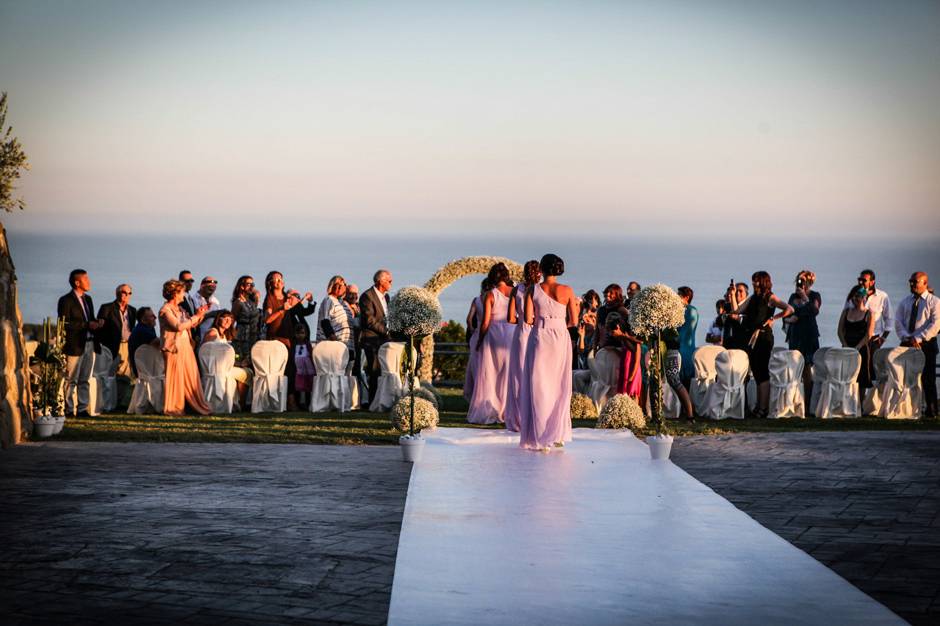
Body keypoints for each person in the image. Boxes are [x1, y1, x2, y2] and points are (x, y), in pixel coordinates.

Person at [518, 253, 576, 451]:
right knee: (559, 385)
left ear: (541, 269)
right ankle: (557, 433)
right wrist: (558, 324)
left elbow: (527, 318)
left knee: (539, 384)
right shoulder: (567, 290)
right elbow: (574, 321)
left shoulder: (532, 290)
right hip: (560, 337)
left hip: (540, 336)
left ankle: (540, 435)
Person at [735, 271, 794, 418]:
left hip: (763, 337)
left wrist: (774, 317)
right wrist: (732, 295)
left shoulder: (769, 297)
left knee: (762, 373)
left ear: (763, 282)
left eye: (756, 281)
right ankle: (759, 408)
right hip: (752, 338)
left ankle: (763, 408)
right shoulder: (753, 298)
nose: (754, 283)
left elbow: (790, 309)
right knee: (756, 372)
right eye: (753, 280)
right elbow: (737, 311)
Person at [467, 263, 515, 425]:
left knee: (491, 374)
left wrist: (480, 340)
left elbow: (485, 322)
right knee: (508, 373)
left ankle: (491, 409)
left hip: (493, 335)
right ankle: (508, 410)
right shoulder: (514, 292)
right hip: (511, 333)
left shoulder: (490, 295)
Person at [263, 271, 315, 409]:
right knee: (281, 370)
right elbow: (267, 320)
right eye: (276, 279)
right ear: (270, 283)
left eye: (281, 279)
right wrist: (281, 309)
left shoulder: (287, 297)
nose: (279, 281)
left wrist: (309, 301)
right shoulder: (269, 299)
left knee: (292, 370)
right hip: (275, 339)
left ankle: (292, 401)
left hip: (289, 339)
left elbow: (302, 311)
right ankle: (282, 401)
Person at [159, 279, 211, 416]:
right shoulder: (165, 310)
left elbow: (191, 324)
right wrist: (196, 316)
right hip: (173, 347)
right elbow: (178, 326)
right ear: (175, 293)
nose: (184, 295)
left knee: (190, 376)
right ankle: (174, 407)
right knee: (175, 377)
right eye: (182, 292)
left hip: (186, 346)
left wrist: (201, 314)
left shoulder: (181, 309)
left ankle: (193, 405)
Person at [57, 269, 103, 416]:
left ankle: (83, 409)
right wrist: (86, 325)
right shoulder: (66, 300)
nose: (89, 282)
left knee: (85, 379)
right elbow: (64, 323)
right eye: (86, 279)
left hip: (90, 343)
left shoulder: (88, 299)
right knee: (71, 379)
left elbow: (90, 318)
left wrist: (97, 322)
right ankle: (69, 410)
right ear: (77, 282)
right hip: (75, 345)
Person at [895, 272, 940, 418]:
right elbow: (898, 321)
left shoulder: (934, 302)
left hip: (926, 344)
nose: (912, 284)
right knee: (905, 378)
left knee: (928, 379)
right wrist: (907, 337)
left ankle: (931, 410)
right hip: (907, 343)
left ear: (925, 283)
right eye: (911, 281)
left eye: (915, 282)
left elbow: (936, 324)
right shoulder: (905, 301)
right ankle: (906, 408)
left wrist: (918, 338)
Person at [505, 260, 541, 432]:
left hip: (521, 333)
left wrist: (523, 320)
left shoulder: (516, 289)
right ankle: (534, 417)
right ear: (539, 273)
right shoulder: (542, 290)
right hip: (538, 333)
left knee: (518, 376)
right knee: (536, 375)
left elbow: (510, 318)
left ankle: (518, 419)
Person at [785, 270, 822, 403]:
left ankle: (807, 402)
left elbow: (815, 310)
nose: (800, 283)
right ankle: (795, 401)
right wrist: (791, 320)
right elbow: (786, 315)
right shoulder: (792, 296)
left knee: (807, 370)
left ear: (809, 282)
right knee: (794, 369)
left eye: (803, 281)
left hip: (809, 336)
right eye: (798, 280)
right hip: (795, 336)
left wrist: (805, 298)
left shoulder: (815, 296)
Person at [202, 309, 252, 406]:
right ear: (218, 319)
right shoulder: (212, 333)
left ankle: (238, 403)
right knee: (247, 373)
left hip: (222, 367)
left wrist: (240, 363)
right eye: (225, 318)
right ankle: (241, 404)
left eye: (231, 320)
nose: (228, 322)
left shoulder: (224, 336)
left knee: (246, 370)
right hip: (215, 369)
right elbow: (205, 353)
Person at [360, 269, 392, 401]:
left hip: (385, 340)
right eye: (389, 281)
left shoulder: (386, 297)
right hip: (371, 340)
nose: (391, 283)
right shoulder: (367, 296)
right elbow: (369, 320)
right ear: (381, 281)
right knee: (374, 371)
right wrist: (386, 331)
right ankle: (373, 401)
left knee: (384, 371)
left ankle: (383, 399)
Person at [96, 283, 137, 384]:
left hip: (127, 345)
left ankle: (120, 398)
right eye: (124, 292)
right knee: (109, 375)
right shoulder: (107, 308)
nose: (127, 295)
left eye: (129, 293)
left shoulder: (132, 310)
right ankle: (108, 398)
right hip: (111, 346)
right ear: (117, 293)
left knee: (125, 376)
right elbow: (100, 328)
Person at [838, 286, 875, 395]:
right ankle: (846, 401)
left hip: (862, 348)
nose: (855, 298)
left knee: (862, 378)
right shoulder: (846, 311)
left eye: (858, 296)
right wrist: (844, 344)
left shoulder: (869, 314)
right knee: (845, 376)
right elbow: (840, 331)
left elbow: (869, 334)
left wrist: (858, 347)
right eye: (853, 296)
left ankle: (860, 405)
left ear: (864, 297)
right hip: (846, 347)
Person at [463, 278, 492, 402]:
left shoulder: (476, 300)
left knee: (475, 367)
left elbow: (469, 319)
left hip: (477, 334)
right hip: (490, 334)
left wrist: (472, 329)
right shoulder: (492, 299)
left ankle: (475, 395)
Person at [317, 275, 356, 365]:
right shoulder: (328, 300)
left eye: (343, 284)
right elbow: (325, 322)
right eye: (338, 284)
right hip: (335, 348)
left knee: (345, 376)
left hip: (347, 346)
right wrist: (335, 342)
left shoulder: (343, 303)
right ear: (332, 286)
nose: (340, 287)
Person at [852, 269, 893, 351]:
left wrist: (883, 338)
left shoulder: (882, 296)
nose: (860, 282)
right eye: (859, 280)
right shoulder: (855, 295)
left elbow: (889, 318)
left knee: (870, 363)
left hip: (873, 340)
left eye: (864, 280)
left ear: (872, 282)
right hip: (856, 338)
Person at [231, 275, 261, 363]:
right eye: (249, 284)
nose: (252, 287)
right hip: (242, 337)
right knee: (242, 361)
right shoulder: (238, 302)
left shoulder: (251, 301)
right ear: (242, 286)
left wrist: (256, 297)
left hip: (253, 335)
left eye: (253, 284)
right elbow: (232, 320)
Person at [677, 286, 698, 389]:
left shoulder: (690, 310)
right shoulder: (679, 311)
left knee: (685, 378)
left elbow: (685, 331)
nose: (676, 297)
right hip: (682, 347)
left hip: (685, 348)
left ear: (686, 297)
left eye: (679, 295)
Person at [127, 307, 158, 378]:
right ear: (143, 320)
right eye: (152, 316)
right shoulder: (142, 330)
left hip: (146, 368)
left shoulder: (148, 328)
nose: (155, 317)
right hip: (143, 371)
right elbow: (160, 343)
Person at [192, 276, 222, 343]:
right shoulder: (193, 300)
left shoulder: (215, 301)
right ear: (202, 285)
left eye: (213, 288)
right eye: (209, 287)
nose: (211, 288)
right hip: (198, 337)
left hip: (213, 338)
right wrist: (210, 314)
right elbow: (193, 320)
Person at [575, 289, 600, 369]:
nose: (587, 320)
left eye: (594, 300)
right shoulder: (582, 334)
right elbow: (581, 352)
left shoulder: (597, 335)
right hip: (584, 364)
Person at [293, 324, 316, 408]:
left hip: (308, 369)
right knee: (298, 387)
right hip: (298, 369)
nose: (300, 335)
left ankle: (308, 403)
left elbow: (311, 355)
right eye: (298, 333)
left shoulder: (308, 344)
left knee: (308, 387)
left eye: (302, 333)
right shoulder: (294, 344)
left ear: (305, 334)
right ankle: (298, 404)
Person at [722, 282, 749, 350]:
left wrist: (739, 318)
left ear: (746, 294)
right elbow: (719, 321)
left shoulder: (750, 306)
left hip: (744, 345)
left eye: (741, 291)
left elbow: (751, 321)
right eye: (736, 291)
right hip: (728, 345)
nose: (737, 293)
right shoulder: (728, 306)